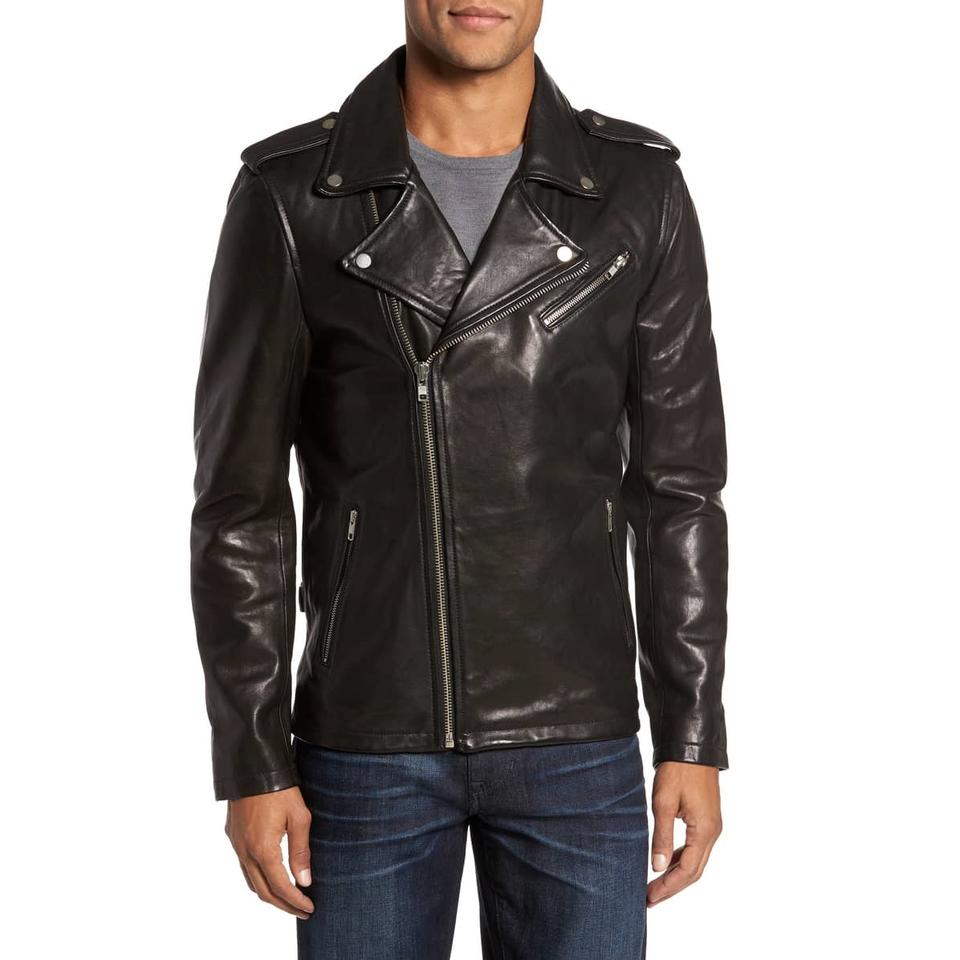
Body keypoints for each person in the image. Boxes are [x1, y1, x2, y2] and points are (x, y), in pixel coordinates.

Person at [190, 2, 728, 957]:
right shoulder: (292, 192)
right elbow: (241, 506)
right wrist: (253, 755)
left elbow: (679, 487)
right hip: (366, 741)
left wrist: (692, 734)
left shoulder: (637, 188)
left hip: (578, 739)